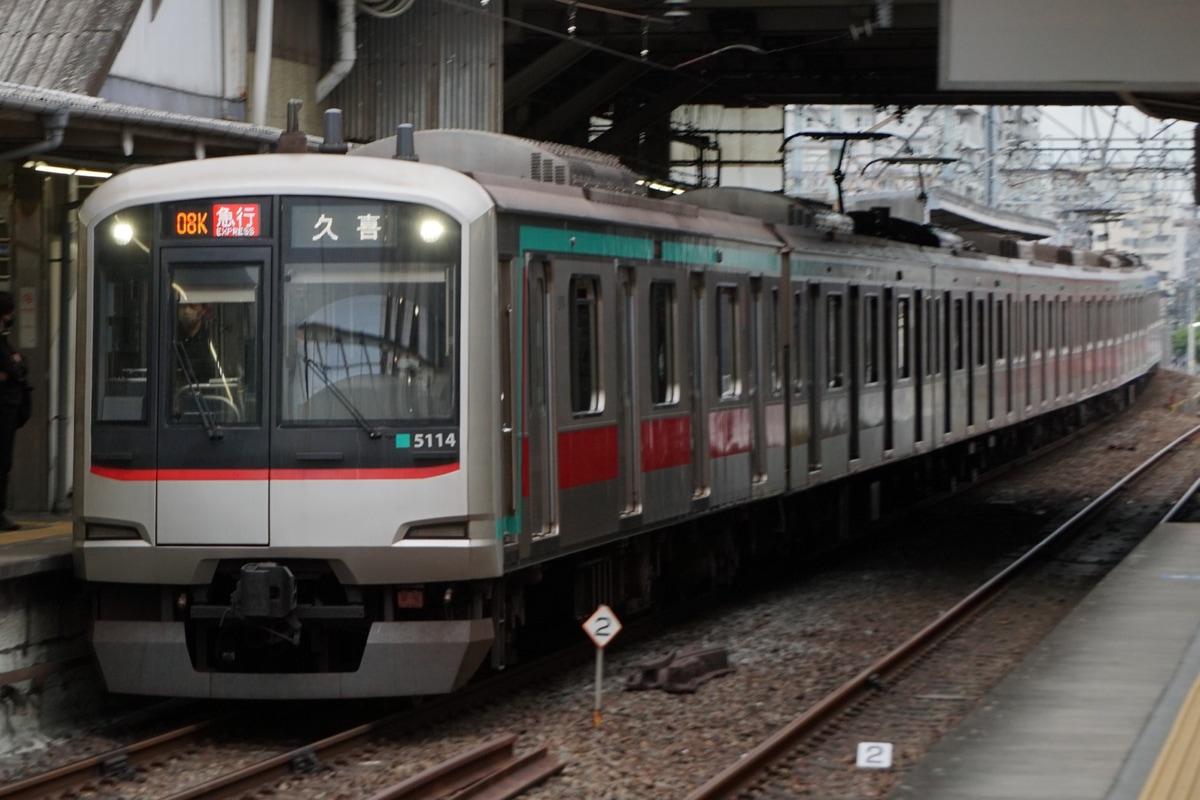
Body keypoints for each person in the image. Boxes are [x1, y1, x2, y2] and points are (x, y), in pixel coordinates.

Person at [0, 291, 26, 531]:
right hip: (3, 408)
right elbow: (16, 369)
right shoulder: (3, 345)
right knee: (2, 461)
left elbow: (18, 369)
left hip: (8, 408)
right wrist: (14, 367)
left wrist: (14, 369)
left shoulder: (5, 341)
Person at [176, 301, 219, 384]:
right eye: (182, 306)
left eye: (192, 306)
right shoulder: (172, 336)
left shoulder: (210, 340)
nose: (186, 310)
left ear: (202, 310)